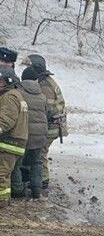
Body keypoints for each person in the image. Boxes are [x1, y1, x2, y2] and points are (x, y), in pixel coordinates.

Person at [22, 53, 67, 191]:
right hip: (52, 125)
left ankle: (42, 180)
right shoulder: (44, 81)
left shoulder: (44, 85)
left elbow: (44, 110)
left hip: (51, 126)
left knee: (40, 153)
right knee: (40, 152)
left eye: (29, 67)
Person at [12, 67, 49, 199]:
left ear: (22, 78)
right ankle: (36, 191)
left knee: (16, 164)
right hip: (39, 136)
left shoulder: (17, 93)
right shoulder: (42, 95)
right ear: (36, 79)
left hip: (24, 134)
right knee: (36, 162)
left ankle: (17, 191)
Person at [0, 67, 28, 207]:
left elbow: (6, 121)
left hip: (8, 143)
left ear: (8, 81)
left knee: (1, 174)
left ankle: (2, 202)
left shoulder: (10, 97)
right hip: (15, 143)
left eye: (0, 81)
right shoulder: (16, 94)